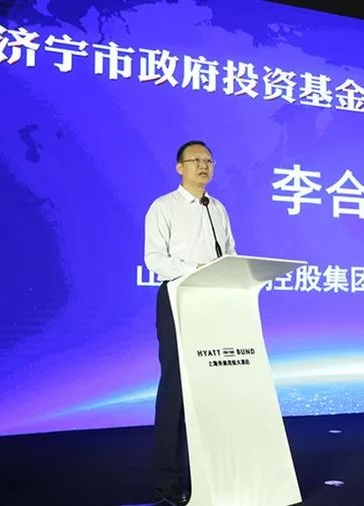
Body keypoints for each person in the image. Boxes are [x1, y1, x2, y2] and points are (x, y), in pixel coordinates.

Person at [144, 140, 236, 506]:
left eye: (208, 160)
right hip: (179, 299)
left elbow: (229, 253)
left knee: (214, 387)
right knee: (176, 389)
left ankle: (211, 475)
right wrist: (193, 270)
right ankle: (168, 481)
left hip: (215, 301)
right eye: (195, 160)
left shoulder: (218, 208)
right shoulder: (164, 207)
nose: (203, 165)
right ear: (179, 167)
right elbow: (154, 258)